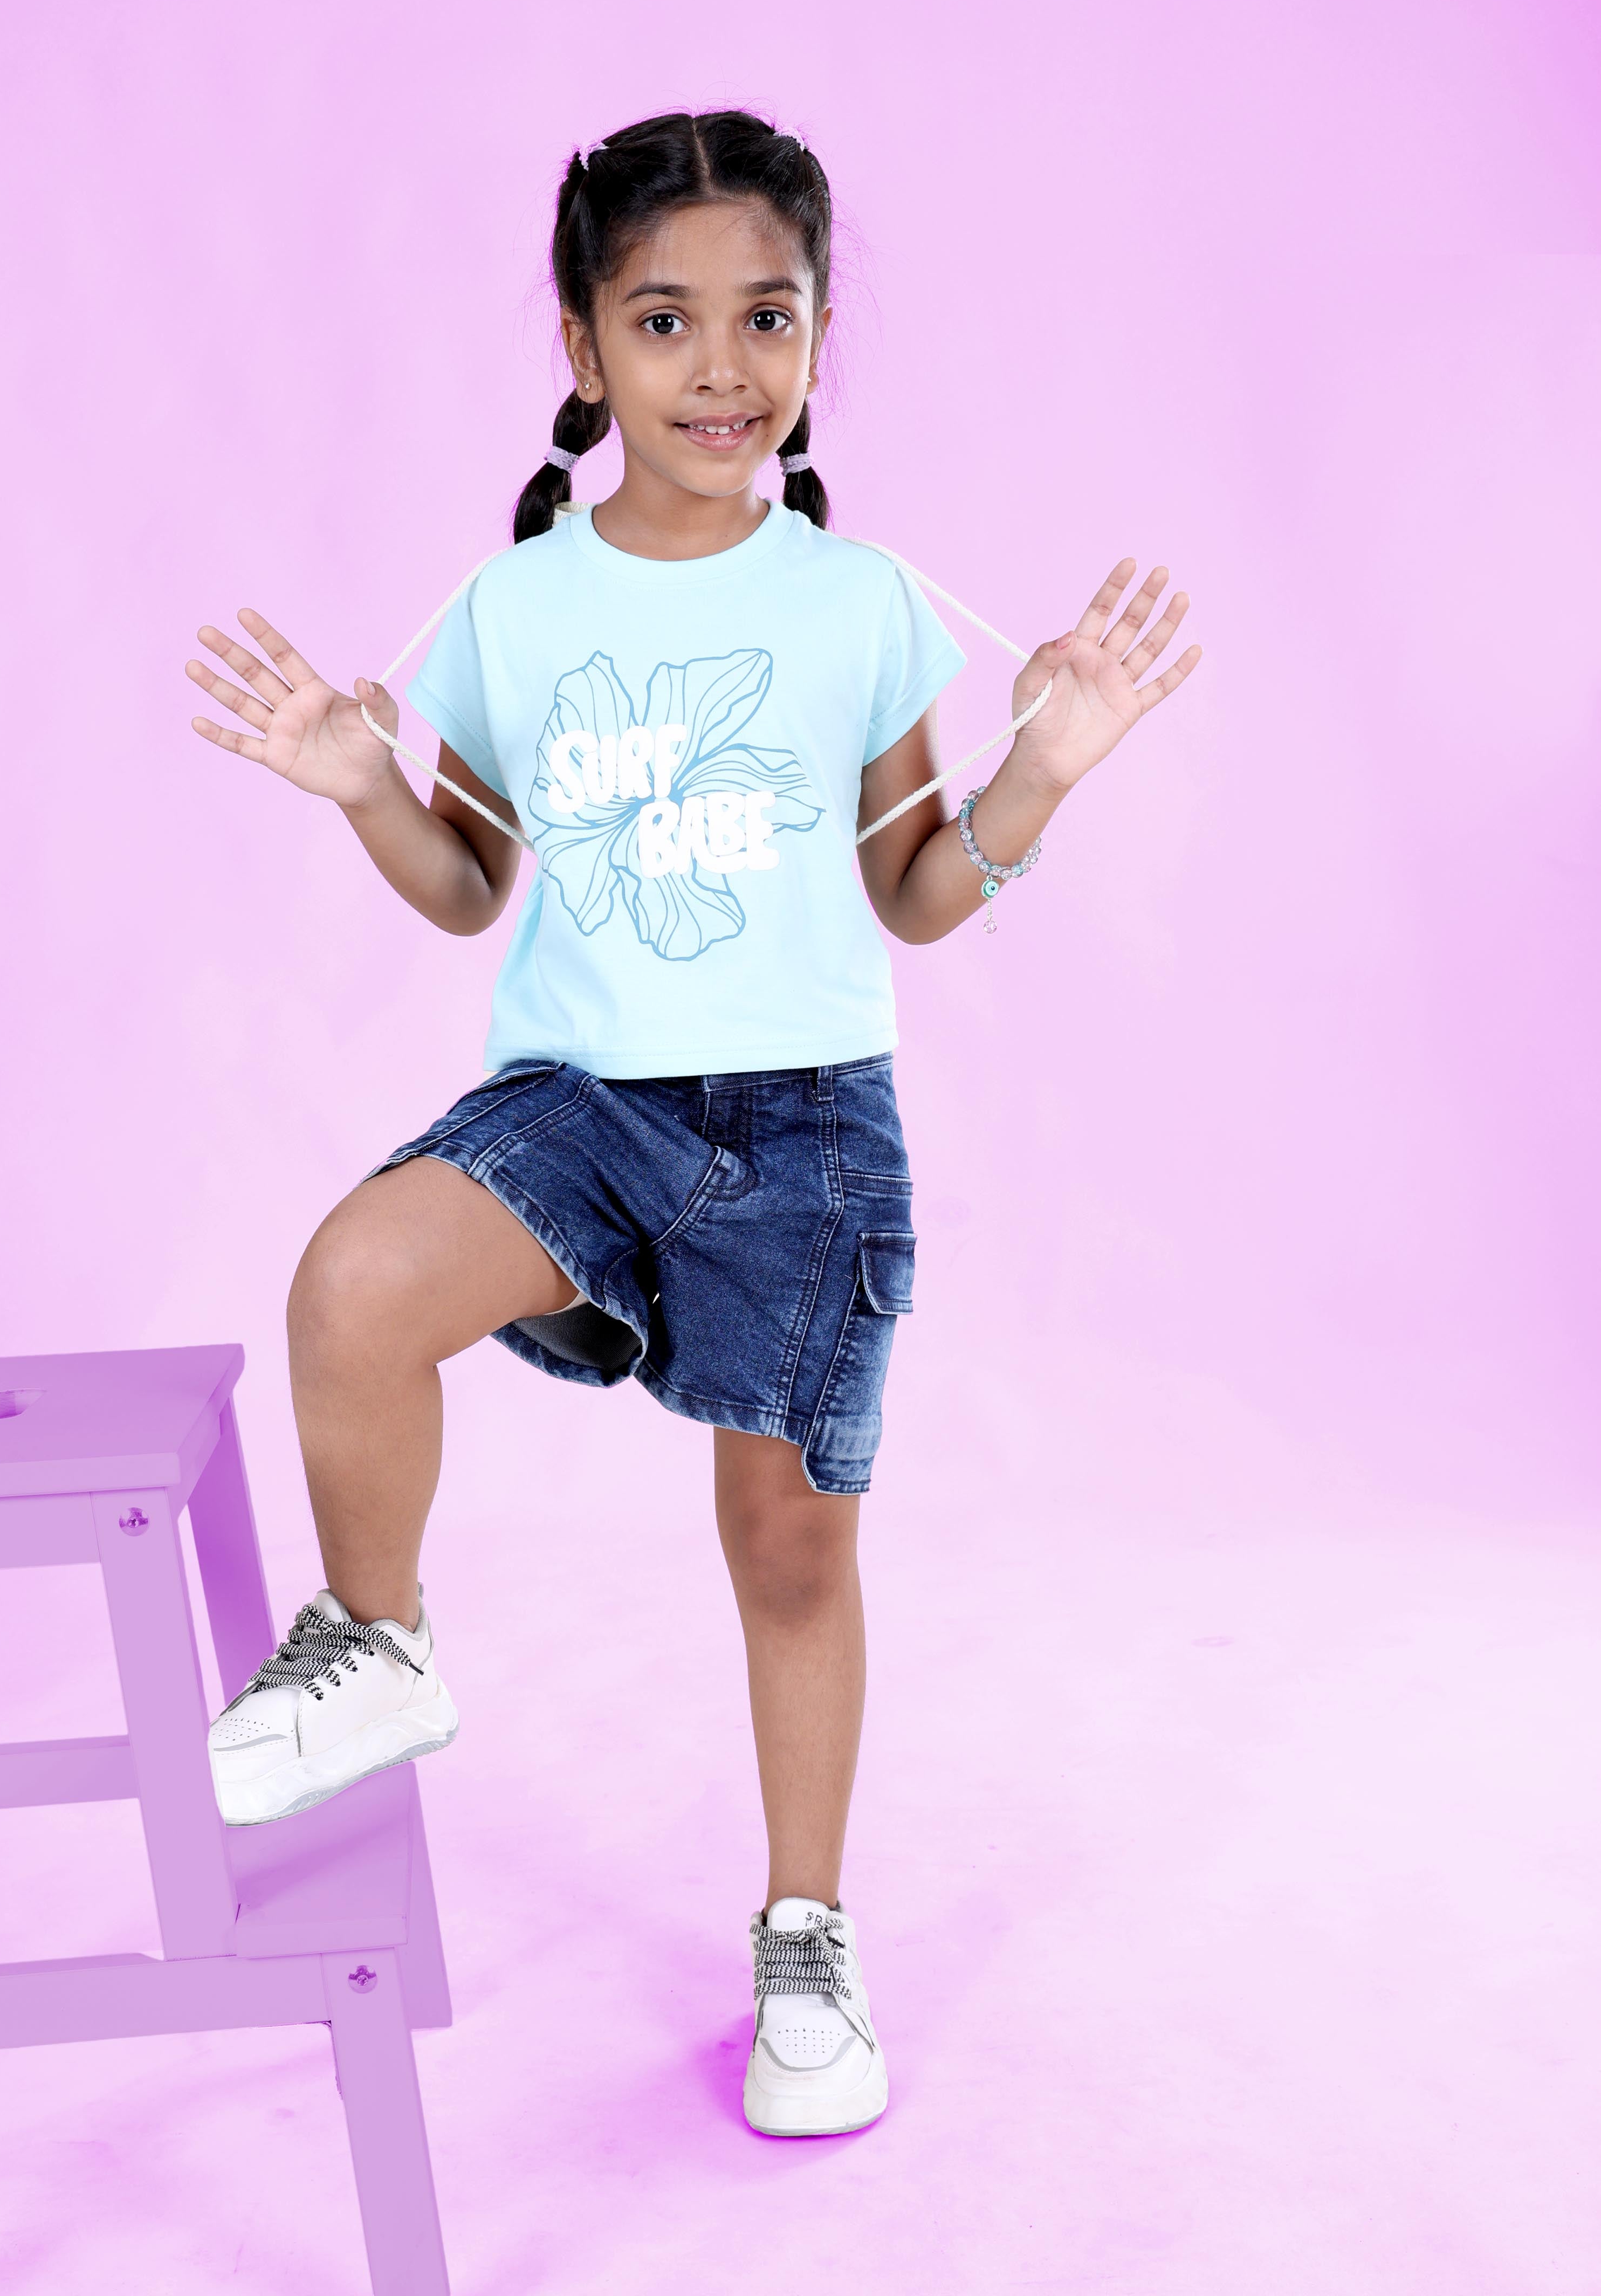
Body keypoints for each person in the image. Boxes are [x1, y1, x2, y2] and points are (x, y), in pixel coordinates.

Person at [183, 108, 1200, 2139]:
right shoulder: (516, 610)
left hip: (807, 1127)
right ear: (582, 347)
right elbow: (470, 885)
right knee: (355, 1285)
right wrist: (364, 785)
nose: (721, 368)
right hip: (581, 1105)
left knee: (790, 1547)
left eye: (767, 317)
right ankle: (379, 1637)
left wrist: (1045, 773)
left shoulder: (864, 605)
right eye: (664, 320)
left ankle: (805, 1935)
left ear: (816, 338)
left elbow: (915, 890)